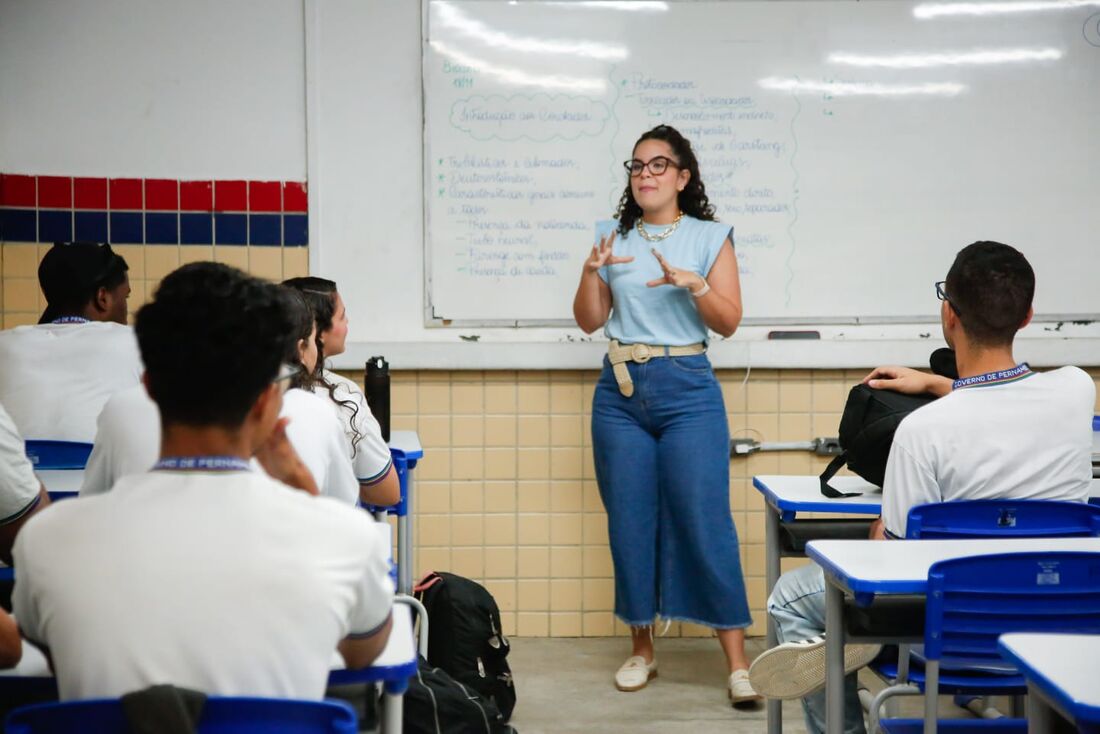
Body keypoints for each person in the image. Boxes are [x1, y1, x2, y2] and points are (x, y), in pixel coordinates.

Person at [749, 241, 1096, 734]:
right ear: (1028, 316)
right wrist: (935, 382)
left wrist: (881, 521)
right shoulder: (1076, 391)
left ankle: (847, 662)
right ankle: (850, 642)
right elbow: (1006, 394)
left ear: (949, 316)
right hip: (1059, 624)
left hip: (948, 635)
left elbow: (887, 560)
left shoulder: (922, 432)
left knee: (791, 595)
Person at [13, 262, 394, 701]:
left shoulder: (47, 543)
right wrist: (308, 499)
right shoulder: (344, 540)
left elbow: (53, 649)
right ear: (271, 398)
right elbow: (363, 654)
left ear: (149, 388)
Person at [571, 124, 757, 704]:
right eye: (636, 166)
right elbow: (589, 321)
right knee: (629, 522)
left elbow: (727, 321)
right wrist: (589, 272)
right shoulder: (611, 236)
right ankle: (643, 650)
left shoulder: (709, 236)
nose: (645, 175)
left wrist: (695, 285)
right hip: (621, 390)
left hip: (687, 389)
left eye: (658, 165)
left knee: (704, 521)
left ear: (682, 176)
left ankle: (737, 663)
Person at [80, 286, 360, 506]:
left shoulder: (122, 408)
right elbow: (347, 517)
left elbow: (92, 506)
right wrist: (301, 485)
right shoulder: (314, 410)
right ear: (265, 398)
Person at [0, 242, 141, 442]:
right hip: (101, 471)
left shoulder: (5, 344)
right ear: (103, 298)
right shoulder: (133, 342)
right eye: (125, 297)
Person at [283, 277, 399, 506]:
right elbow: (388, 493)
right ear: (316, 332)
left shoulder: (245, 393)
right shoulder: (342, 399)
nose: (348, 321)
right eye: (342, 316)